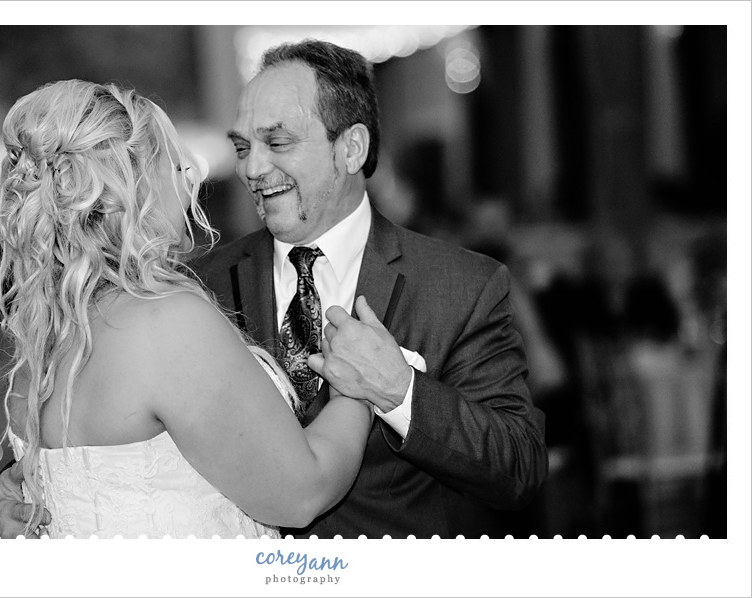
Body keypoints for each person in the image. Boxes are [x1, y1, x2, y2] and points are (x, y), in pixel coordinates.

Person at [0, 79, 372, 538]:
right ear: (130, 187)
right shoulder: (168, 321)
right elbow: (302, 494)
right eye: (174, 165)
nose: (191, 176)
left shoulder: (43, 340)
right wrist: (356, 390)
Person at [197, 39, 547, 538]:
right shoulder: (201, 286)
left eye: (278, 143)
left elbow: (519, 468)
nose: (251, 169)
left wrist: (400, 391)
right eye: (242, 148)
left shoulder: (461, 285)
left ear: (351, 148)